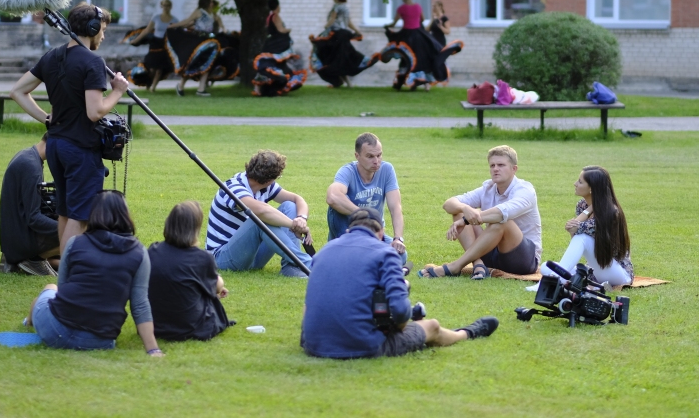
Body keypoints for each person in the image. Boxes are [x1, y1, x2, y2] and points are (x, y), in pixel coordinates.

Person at [301, 208, 499, 359]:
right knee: (431, 326)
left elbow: (309, 304)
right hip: (362, 345)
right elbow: (401, 314)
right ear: (381, 234)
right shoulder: (385, 253)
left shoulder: (324, 251)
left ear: (348, 230)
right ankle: (467, 333)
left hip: (313, 342)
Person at [10, 2, 129, 252]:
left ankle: (65, 268)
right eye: (102, 30)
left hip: (55, 146)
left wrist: (46, 119)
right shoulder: (93, 62)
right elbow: (95, 112)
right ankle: (68, 271)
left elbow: (17, 91)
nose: (103, 35)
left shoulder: (52, 56)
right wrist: (117, 91)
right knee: (81, 217)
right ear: (92, 28)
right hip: (80, 149)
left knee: (65, 211)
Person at [23, 191, 163, 356]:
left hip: (54, 331)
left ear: (93, 215)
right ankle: (33, 315)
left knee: (50, 288)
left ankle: (29, 320)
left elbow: (62, 288)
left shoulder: (75, 243)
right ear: (125, 215)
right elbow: (140, 304)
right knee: (51, 292)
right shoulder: (139, 253)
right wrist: (153, 349)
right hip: (99, 342)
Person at [420, 145, 542, 280]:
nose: (495, 169)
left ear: (514, 169)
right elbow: (448, 204)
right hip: (492, 254)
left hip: (522, 261)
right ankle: (478, 264)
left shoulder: (525, 191)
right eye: (492, 165)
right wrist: (464, 209)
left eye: (501, 165)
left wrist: (465, 220)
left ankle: (455, 266)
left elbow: (501, 213)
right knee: (458, 212)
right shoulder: (488, 188)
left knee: (503, 222)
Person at [205, 150, 313, 278]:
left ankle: (291, 266)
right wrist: (294, 225)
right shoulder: (233, 187)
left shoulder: (266, 186)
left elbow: (297, 199)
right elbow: (262, 211)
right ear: (269, 180)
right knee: (258, 220)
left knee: (289, 205)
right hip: (223, 258)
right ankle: (309, 264)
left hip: (252, 256)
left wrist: (301, 219)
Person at [148, 201, 232, 341]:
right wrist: (219, 283)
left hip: (155, 326)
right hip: (190, 328)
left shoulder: (153, 250)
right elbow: (217, 286)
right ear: (195, 229)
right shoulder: (202, 258)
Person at [539, 166, 633, 288]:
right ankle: (568, 280)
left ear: (592, 189)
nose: (575, 184)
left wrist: (576, 226)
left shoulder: (611, 212)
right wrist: (590, 208)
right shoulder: (582, 205)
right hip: (595, 270)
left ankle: (554, 281)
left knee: (582, 237)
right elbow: (575, 235)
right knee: (546, 266)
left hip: (618, 272)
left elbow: (579, 232)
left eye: (580, 182)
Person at [325, 133, 407, 265]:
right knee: (340, 198)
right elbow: (332, 197)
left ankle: (352, 257)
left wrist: (398, 239)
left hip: (373, 232)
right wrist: (364, 216)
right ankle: (347, 251)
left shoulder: (387, 170)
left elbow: (395, 207)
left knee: (400, 256)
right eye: (370, 156)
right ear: (357, 156)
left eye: (379, 155)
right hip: (349, 229)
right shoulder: (348, 171)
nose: (376, 161)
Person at [0, 133, 60, 276]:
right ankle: (34, 260)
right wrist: (64, 227)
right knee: (76, 233)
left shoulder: (27, 155)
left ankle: (27, 261)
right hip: (20, 242)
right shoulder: (32, 167)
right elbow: (34, 218)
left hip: (12, 238)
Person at [380, 0, 462, 90]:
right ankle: (423, 82)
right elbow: (422, 19)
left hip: (406, 36)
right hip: (418, 36)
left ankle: (407, 80)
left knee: (406, 58)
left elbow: (394, 23)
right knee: (421, 58)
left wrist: (387, 26)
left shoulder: (401, 8)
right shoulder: (418, 7)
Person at [309, 0, 379, 88]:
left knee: (329, 56)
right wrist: (356, 31)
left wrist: (326, 26)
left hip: (336, 35)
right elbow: (348, 22)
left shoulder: (336, 7)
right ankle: (347, 83)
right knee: (341, 59)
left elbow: (332, 19)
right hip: (344, 34)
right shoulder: (346, 7)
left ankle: (340, 82)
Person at [169, 0, 224, 96]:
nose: (212, 3)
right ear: (206, 2)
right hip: (198, 40)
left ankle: (201, 89)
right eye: (211, 1)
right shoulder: (199, 12)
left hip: (209, 41)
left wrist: (223, 29)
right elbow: (187, 21)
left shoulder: (212, 14)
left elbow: (219, 24)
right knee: (193, 62)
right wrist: (173, 26)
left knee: (208, 62)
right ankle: (180, 85)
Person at [252, 0, 306, 96]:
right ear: (277, 6)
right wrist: (288, 29)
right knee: (275, 62)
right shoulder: (276, 16)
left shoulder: (269, 16)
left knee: (276, 63)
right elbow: (280, 30)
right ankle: (273, 85)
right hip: (278, 44)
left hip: (273, 43)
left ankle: (260, 87)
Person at [129, 0, 177, 92]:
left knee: (160, 68)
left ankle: (153, 88)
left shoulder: (174, 20)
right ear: (161, 6)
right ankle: (148, 83)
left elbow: (178, 32)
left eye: (168, 5)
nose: (166, 7)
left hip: (165, 45)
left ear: (170, 7)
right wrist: (136, 40)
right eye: (164, 5)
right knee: (152, 68)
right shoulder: (156, 18)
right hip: (155, 44)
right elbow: (147, 30)